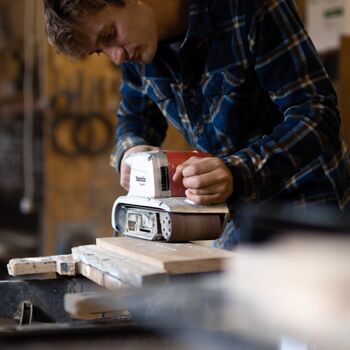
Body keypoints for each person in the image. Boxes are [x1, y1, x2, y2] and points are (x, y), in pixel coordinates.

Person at [43, 0, 350, 249]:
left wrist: (237, 171)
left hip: (307, 208)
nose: (116, 56)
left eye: (109, 34)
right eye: (101, 49)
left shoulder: (249, 8)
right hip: (230, 217)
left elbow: (316, 112)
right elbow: (135, 117)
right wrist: (131, 149)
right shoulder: (136, 49)